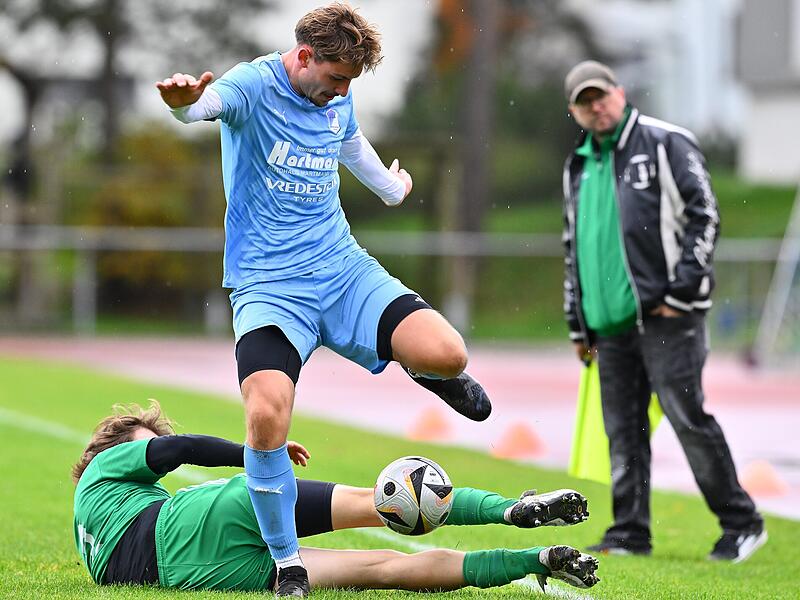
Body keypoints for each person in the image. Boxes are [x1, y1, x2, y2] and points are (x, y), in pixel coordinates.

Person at [155, 4, 491, 595]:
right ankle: (287, 563)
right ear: (304, 56)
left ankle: (424, 372)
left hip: (341, 271)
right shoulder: (252, 86)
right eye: (336, 78)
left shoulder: (336, 95)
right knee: (264, 416)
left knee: (449, 353)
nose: (341, 91)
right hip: (270, 288)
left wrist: (391, 188)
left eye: (350, 83)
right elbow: (204, 109)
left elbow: (351, 142)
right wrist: (184, 104)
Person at [560, 60, 766, 562]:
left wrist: (681, 292)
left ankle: (742, 523)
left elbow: (705, 214)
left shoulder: (665, 141)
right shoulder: (578, 164)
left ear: (620, 93)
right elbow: (573, 245)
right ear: (574, 111)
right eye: (585, 101)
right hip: (608, 327)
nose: (596, 106)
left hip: (668, 317)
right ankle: (629, 531)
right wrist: (577, 321)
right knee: (623, 430)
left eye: (601, 95)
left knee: (686, 416)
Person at [72, 402, 599, 594]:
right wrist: (256, 455)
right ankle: (510, 509)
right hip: (203, 517)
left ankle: (535, 561)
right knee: (385, 501)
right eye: (146, 447)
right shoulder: (104, 464)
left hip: (198, 573)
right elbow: (182, 448)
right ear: (113, 449)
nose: (155, 456)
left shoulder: (91, 540)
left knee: (381, 569)